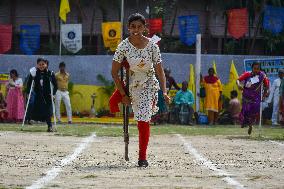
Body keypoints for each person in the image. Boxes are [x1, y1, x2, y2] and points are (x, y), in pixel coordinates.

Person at [111, 13, 170, 167]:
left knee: (143, 119)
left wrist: (164, 91)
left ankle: (142, 157)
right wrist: (123, 94)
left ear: (145, 28)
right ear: (128, 28)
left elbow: (160, 71)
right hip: (131, 82)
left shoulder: (152, 46)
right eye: (132, 27)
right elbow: (113, 72)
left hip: (148, 84)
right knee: (112, 104)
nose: (136, 30)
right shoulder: (123, 46)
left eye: (139, 26)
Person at [237, 62, 269, 135]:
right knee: (245, 112)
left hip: (256, 98)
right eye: (255, 68)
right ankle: (247, 124)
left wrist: (264, 94)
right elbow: (238, 80)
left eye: (258, 69)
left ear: (259, 69)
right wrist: (239, 85)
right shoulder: (247, 74)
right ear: (252, 68)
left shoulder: (262, 75)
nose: (256, 70)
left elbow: (266, 85)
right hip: (246, 97)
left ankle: (250, 124)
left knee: (254, 112)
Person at [27, 58, 57, 132]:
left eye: (43, 64)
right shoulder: (34, 73)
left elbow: (55, 85)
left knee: (47, 110)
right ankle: (29, 119)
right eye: (39, 64)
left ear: (46, 64)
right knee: (36, 108)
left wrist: (53, 94)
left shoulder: (50, 73)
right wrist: (28, 93)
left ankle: (50, 126)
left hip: (48, 94)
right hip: (38, 94)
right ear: (37, 65)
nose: (41, 66)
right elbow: (29, 84)